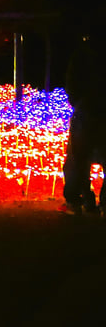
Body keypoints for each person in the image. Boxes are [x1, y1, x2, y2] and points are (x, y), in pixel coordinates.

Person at [61, 22, 106, 215]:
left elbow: (72, 81)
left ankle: (77, 200)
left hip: (85, 112)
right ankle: (103, 204)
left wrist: (78, 102)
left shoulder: (81, 55)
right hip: (96, 110)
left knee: (77, 159)